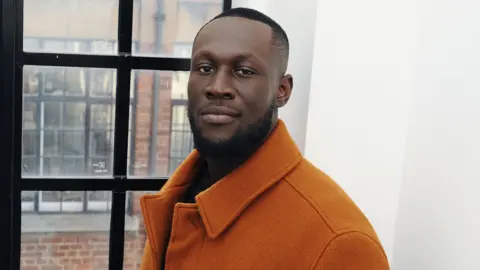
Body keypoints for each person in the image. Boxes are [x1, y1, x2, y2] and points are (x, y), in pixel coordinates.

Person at [139, 7, 389, 270]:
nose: (217, 87)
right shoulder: (174, 198)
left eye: (244, 71)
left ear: (282, 90)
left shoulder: (338, 241)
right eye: (205, 67)